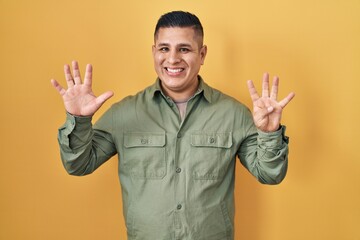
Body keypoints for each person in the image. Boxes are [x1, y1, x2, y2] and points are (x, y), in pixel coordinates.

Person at [51, 11, 295, 240]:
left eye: (184, 49)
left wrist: (269, 133)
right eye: (164, 48)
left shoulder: (234, 114)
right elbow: (78, 165)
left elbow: (269, 174)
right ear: (154, 52)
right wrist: (79, 120)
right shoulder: (123, 114)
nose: (173, 58)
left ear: (202, 55)